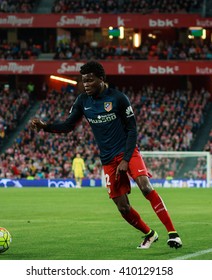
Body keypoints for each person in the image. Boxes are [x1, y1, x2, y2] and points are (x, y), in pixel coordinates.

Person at [30, 61, 182, 250]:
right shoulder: (82, 101)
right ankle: (149, 234)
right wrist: (46, 127)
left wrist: (126, 159)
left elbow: (132, 130)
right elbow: (68, 126)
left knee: (145, 186)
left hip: (128, 151)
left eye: (90, 80)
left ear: (101, 80)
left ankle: (173, 234)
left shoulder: (118, 98)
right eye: (83, 81)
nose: (86, 85)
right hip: (108, 160)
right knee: (123, 207)